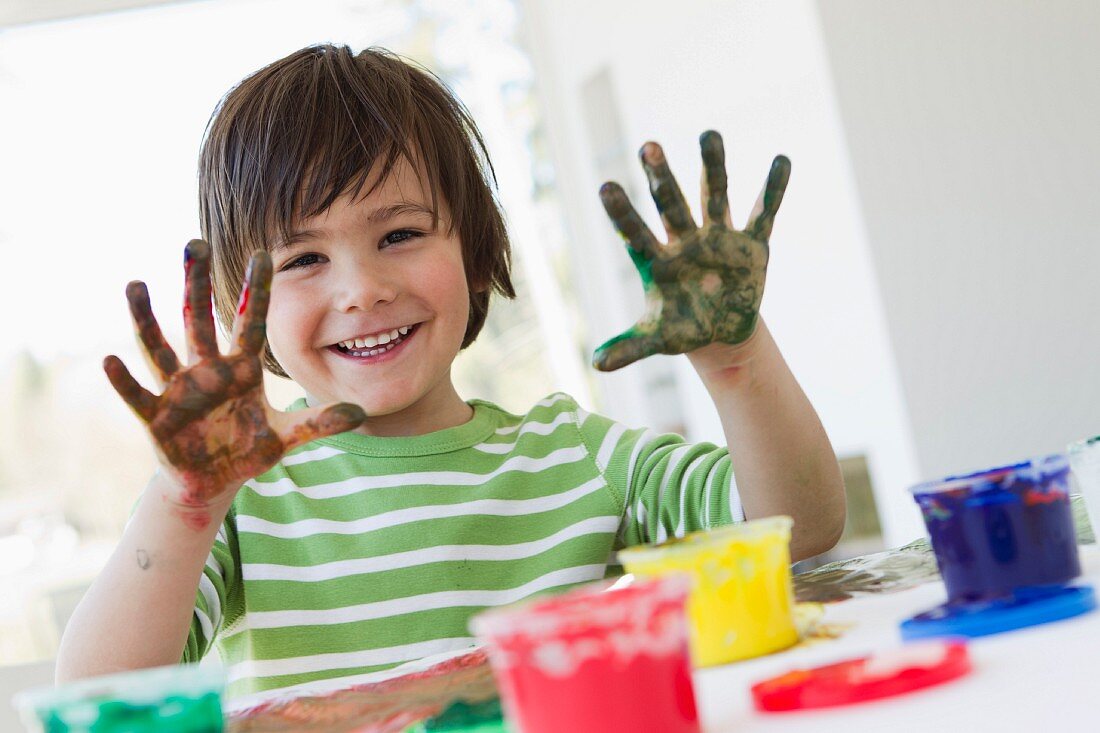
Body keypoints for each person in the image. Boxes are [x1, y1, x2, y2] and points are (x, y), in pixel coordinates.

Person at [56, 44, 845, 698]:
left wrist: (737, 362)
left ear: (474, 251)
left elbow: (798, 531)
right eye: (304, 257)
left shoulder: (574, 456)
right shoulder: (242, 502)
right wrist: (184, 503)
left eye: (398, 234)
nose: (361, 288)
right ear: (243, 307)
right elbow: (95, 691)